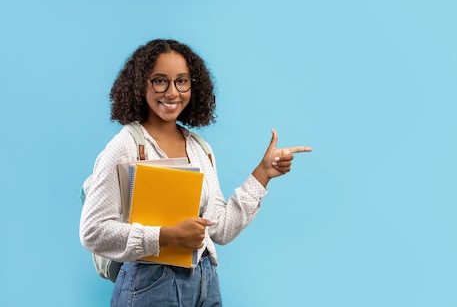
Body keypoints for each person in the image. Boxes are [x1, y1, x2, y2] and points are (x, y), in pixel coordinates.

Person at [79, 39, 312, 306]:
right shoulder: (126, 145)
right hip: (151, 283)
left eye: (181, 81)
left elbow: (221, 230)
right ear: (140, 84)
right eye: (159, 81)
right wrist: (166, 236)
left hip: (205, 281)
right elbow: (93, 231)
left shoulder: (200, 148)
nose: (172, 92)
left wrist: (263, 174)